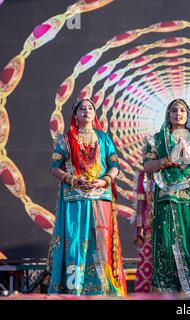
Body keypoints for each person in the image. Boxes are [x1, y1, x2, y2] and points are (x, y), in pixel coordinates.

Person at [48, 98, 126, 296]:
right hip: (75, 197)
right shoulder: (66, 139)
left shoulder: (104, 138)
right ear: (75, 115)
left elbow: (114, 166)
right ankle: (74, 288)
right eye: (82, 108)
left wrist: (105, 181)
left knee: (102, 242)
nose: (86, 111)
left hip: (101, 196)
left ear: (94, 113)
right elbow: (54, 168)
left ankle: (102, 288)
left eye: (90, 108)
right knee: (74, 241)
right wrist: (73, 180)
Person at [143, 99, 190, 294]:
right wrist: (168, 160)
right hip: (167, 198)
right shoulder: (156, 139)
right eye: (174, 110)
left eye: (182, 110)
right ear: (168, 114)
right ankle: (168, 293)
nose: (178, 113)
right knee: (167, 247)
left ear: (188, 114)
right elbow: (147, 167)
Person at [133, 170, 153, 293]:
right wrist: (139, 226)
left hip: (172, 226)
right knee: (147, 265)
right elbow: (141, 201)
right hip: (150, 227)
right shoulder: (144, 175)